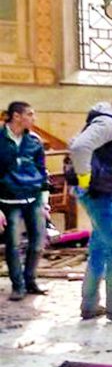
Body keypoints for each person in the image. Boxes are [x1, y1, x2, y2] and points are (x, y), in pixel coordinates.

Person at [69, 88, 112, 324]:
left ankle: (89, 306)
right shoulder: (109, 123)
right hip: (99, 195)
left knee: (99, 251)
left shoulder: (108, 119)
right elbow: (79, 147)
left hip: (104, 192)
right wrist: (84, 178)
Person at [0, 101, 49, 301]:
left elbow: (42, 171)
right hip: (8, 200)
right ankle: (17, 285)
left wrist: (45, 200)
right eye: (30, 114)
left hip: (34, 198)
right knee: (13, 245)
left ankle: (30, 281)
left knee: (38, 243)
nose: (33, 118)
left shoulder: (35, 141)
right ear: (16, 116)